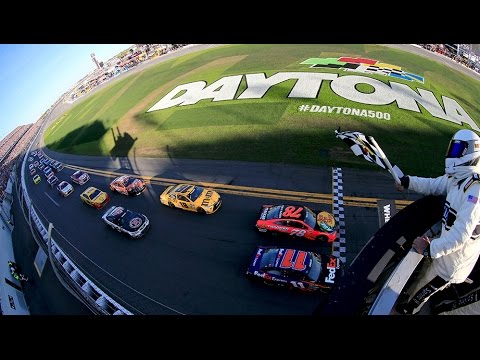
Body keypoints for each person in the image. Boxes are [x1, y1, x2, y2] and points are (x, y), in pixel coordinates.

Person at [395, 129, 480, 315]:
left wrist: (429, 249)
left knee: (418, 296)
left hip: (450, 267)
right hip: (440, 251)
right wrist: (407, 181)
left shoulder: (475, 192)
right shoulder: (459, 179)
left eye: (457, 150)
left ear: (471, 153)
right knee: (418, 281)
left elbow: (460, 236)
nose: (452, 154)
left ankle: (405, 310)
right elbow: (433, 185)